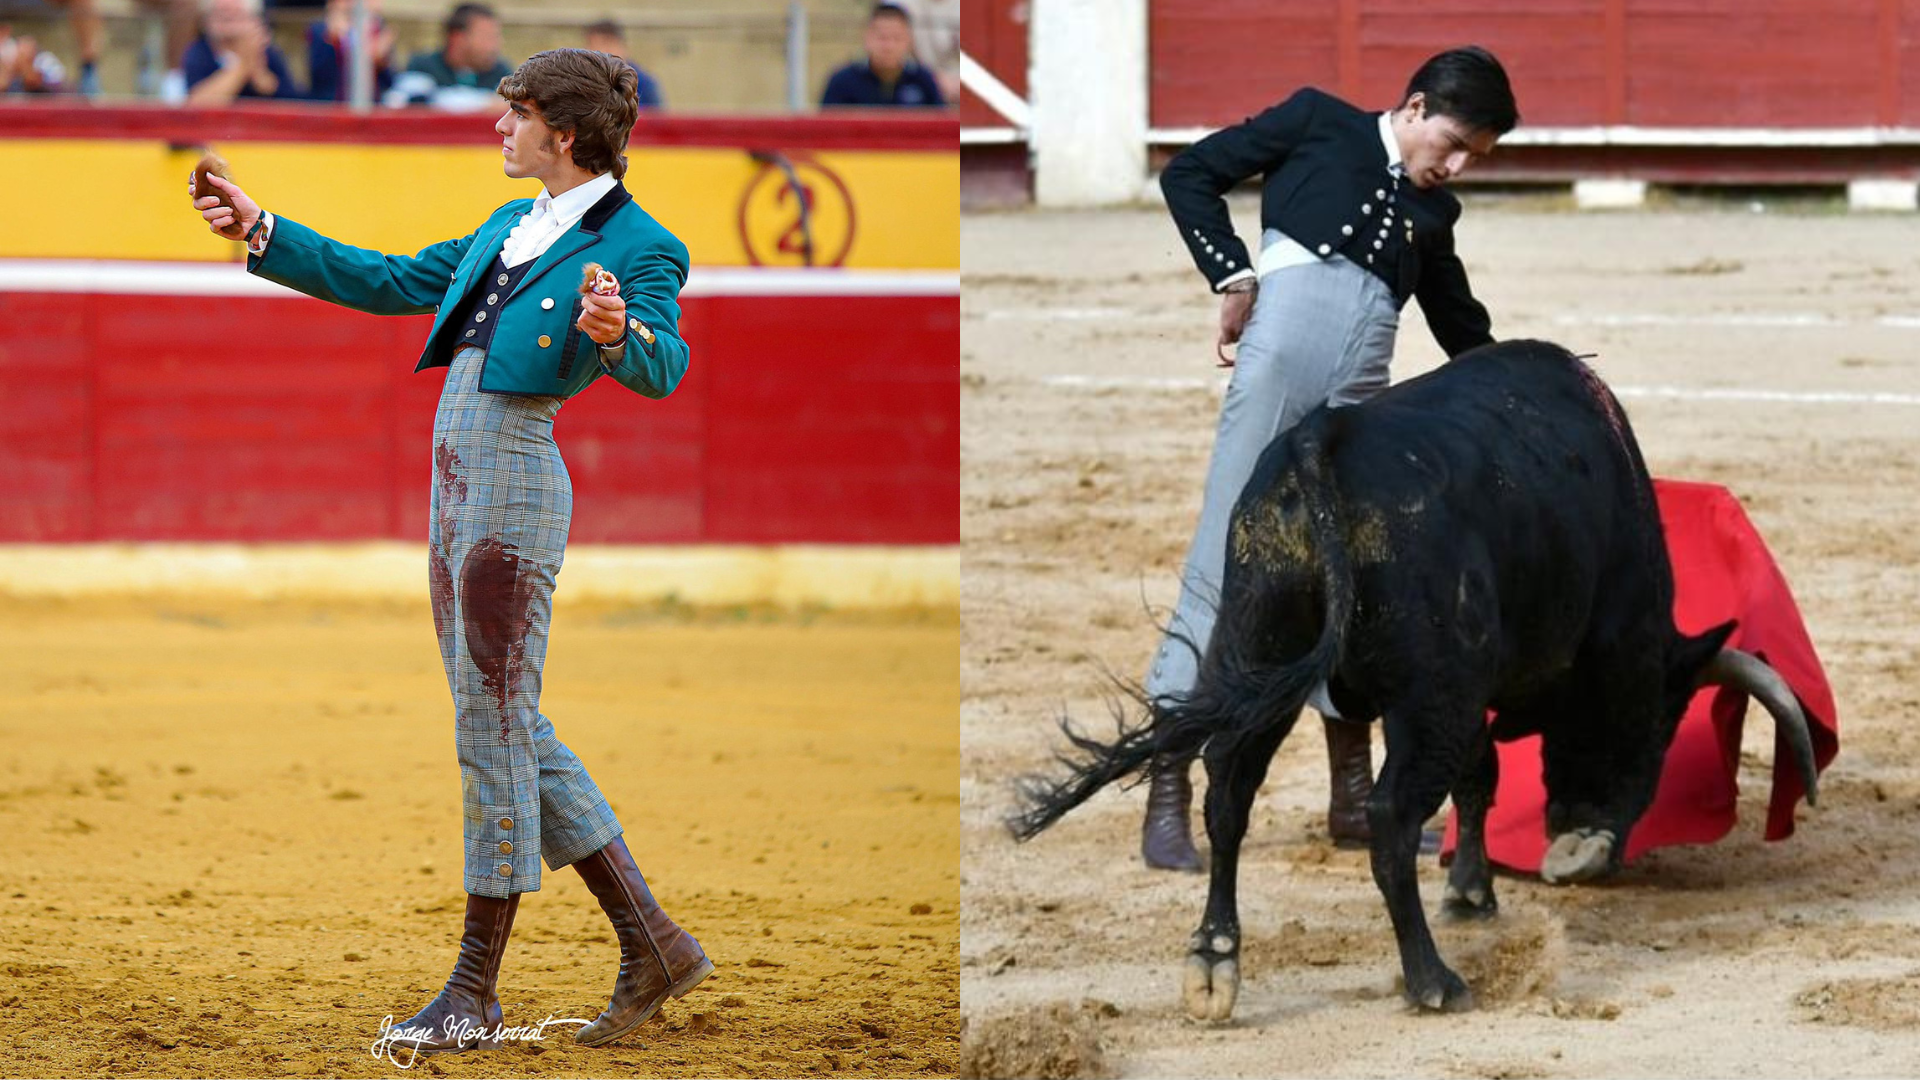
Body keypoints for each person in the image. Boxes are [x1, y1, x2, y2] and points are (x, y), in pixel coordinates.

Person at [188, 48, 709, 1053]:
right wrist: (262, 231)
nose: (495, 128)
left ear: (561, 134)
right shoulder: (509, 229)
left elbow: (665, 361)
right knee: (503, 715)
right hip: (458, 482)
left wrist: (614, 336)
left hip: (514, 476)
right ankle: (655, 943)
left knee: (493, 722)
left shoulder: (645, 244)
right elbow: (388, 279)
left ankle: (476, 983)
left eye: (511, 115)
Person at [1138, 46, 1519, 872]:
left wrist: (1522, 394)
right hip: (1279, 369)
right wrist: (1232, 274)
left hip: (1358, 406)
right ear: (1414, 108)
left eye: (1473, 161)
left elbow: (1461, 329)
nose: (1453, 168)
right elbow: (1190, 174)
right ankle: (1168, 791)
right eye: (1452, 144)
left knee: (1353, 580)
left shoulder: (1434, 218)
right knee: (1225, 556)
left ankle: (1353, 797)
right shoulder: (1318, 122)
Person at [388, 1, 511, 108]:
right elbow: (401, 104)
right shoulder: (422, 67)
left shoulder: (501, 72)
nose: (496, 45)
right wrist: (486, 103)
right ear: (458, 38)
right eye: (487, 36)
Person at [820, 2, 943, 108]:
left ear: (909, 41)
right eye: (882, 38)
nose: (889, 46)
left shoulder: (924, 81)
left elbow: (942, 128)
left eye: (897, 38)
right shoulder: (843, 81)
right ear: (866, 37)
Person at [181, 0, 304, 103]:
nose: (230, 26)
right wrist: (244, 65)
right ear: (206, 22)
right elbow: (197, 103)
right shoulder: (198, 52)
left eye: (236, 16)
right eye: (221, 16)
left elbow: (288, 99)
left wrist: (257, 70)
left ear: (256, 22)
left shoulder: (269, 53)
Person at [306, 0, 397, 103]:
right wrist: (337, 41)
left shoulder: (378, 30)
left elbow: (389, 82)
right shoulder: (321, 30)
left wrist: (380, 61)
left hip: (372, 104)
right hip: (333, 104)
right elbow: (318, 76)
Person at [583, 19, 661, 109]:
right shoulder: (582, 82)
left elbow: (657, 119)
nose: (602, 52)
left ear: (623, 47)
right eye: (593, 46)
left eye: (608, 45)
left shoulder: (644, 83)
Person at [1, 26, 66, 93]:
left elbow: (34, 82)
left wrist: (24, 63)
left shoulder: (44, 60)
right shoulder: (9, 59)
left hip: (49, 97)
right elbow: (3, 85)